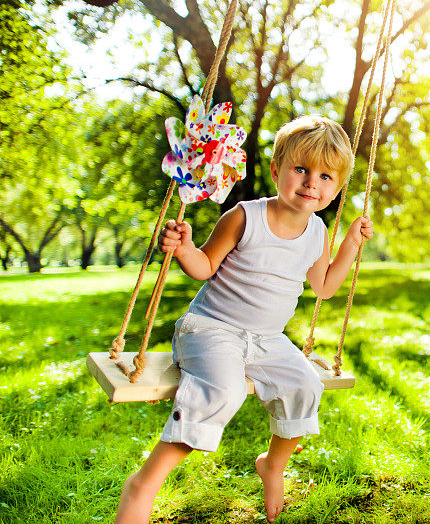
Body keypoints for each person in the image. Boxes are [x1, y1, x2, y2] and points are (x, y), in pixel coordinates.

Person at [115, 115, 374, 524]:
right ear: (276, 170)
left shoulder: (317, 233)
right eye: (301, 169)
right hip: (211, 329)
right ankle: (145, 482)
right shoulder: (244, 216)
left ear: (337, 187)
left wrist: (350, 246)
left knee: (306, 383)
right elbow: (203, 267)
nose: (311, 183)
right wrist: (182, 249)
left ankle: (273, 464)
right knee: (223, 390)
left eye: (326, 176)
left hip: (267, 339)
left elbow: (324, 285)